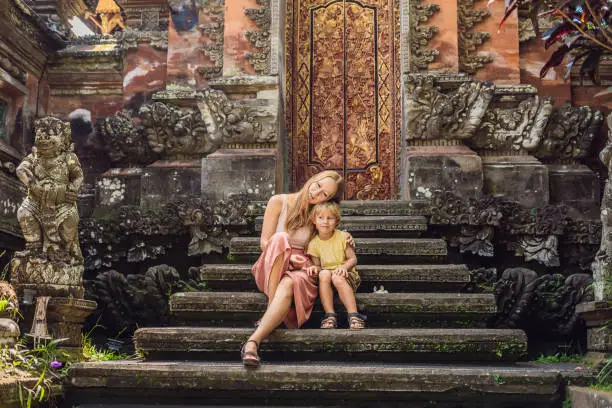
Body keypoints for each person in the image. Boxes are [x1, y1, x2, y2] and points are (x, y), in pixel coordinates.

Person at [241, 170, 351, 367]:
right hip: (272, 261)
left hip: (301, 268)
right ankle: (270, 310)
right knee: (280, 238)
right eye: (318, 186)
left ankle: (252, 343)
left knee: (289, 283)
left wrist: (346, 237)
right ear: (313, 179)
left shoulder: (317, 215)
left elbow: (328, 237)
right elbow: (264, 243)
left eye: (324, 195)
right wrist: (288, 254)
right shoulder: (278, 202)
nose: (316, 194)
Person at [306, 202, 366, 329]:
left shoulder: (343, 237)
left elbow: (353, 259)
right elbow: (318, 266)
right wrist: (313, 268)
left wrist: (344, 267)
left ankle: (353, 314)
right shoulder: (313, 243)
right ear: (314, 221)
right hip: (327, 278)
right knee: (323, 273)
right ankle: (330, 314)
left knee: (337, 277)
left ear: (336, 221)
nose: (325, 222)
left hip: (346, 275)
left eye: (330, 218)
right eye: (321, 218)